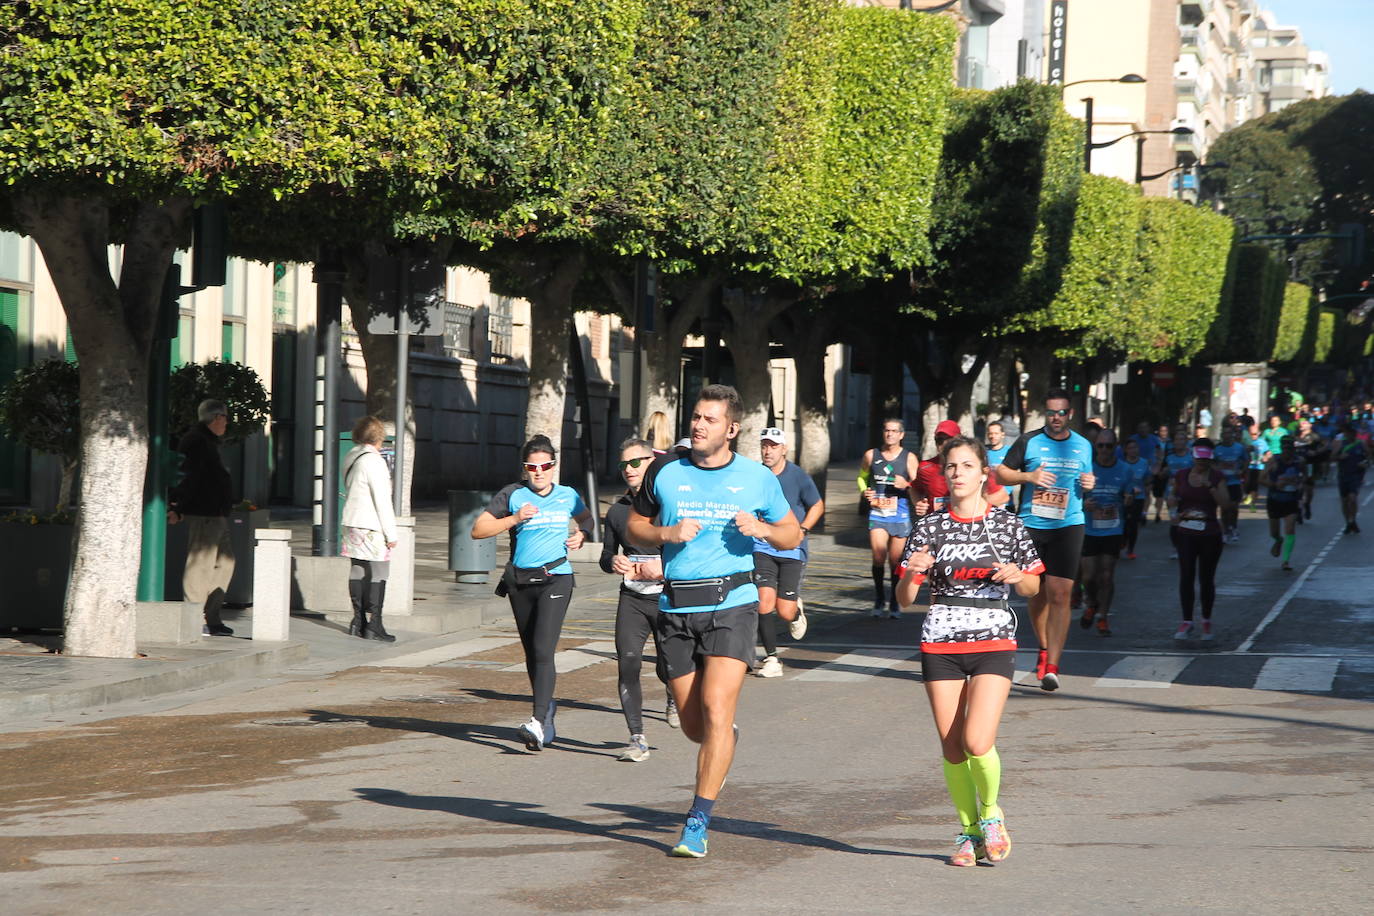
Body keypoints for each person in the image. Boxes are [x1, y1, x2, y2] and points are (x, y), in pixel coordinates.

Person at [627, 384, 800, 858]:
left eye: (709, 419)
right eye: (695, 416)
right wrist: (665, 531)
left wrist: (763, 529)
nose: (698, 425)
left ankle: (697, 821)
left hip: (733, 603)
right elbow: (633, 523)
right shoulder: (665, 471)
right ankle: (721, 740)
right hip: (677, 609)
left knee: (718, 711)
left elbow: (792, 532)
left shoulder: (756, 478)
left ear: (731, 428)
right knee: (694, 725)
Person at [895, 436, 1043, 867]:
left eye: (966, 465)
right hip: (940, 639)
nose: (957, 473)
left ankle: (991, 812)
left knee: (978, 741)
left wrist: (1018, 577)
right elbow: (905, 597)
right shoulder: (928, 527)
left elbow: (1034, 586)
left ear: (984, 473)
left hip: (993, 637)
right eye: (951, 467)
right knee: (953, 747)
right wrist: (913, 574)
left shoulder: (1007, 525)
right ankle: (967, 832)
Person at [471, 435, 593, 752]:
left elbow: (588, 518)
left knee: (543, 649)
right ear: (525, 469)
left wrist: (582, 535)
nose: (539, 472)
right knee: (531, 654)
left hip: (557, 578)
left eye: (546, 466)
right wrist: (514, 518)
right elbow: (478, 529)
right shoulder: (513, 495)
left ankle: (537, 722)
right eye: (532, 466)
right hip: (520, 583)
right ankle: (546, 711)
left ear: (554, 466)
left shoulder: (567, 495)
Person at [994, 388, 1094, 691]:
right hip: (1033, 525)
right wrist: (1029, 477)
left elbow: (1085, 480)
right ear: (1045, 414)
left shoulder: (1083, 445)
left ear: (1070, 414)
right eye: (1051, 412)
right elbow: (1001, 474)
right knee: (1034, 594)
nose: (1056, 418)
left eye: (1061, 412)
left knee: (1061, 594)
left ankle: (1052, 664)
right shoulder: (1029, 441)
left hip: (1069, 524)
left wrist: (1089, 483)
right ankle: (1042, 645)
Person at [600, 438, 675, 762]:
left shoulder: (667, 507)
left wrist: (663, 569)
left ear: (650, 462)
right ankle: (637, 738)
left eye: (635, 463)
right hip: (631, 598)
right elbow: (606, 554)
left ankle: (674, 694)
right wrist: (612, 562)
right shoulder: (617, 511)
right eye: (623, 465)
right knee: (628, 663)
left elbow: (688, 553)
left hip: (667, 598)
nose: (628, 470)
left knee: (669, 665)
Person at [753, 427, 823, 677]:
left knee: (784, 610)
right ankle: (772, 659)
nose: (767, 450)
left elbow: (817, 504)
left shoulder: (797, 476)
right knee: (763, 603)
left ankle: (795, 612)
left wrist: (803, 529)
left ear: (784, 449)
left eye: (773, 446)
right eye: (764, 445)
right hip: (762, 547)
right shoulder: (755, 475)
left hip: (792, 549)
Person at [167, 399, 237, 637]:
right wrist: (179, 507)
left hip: (215, 513)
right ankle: (195, 618)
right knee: (201, 566)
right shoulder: (196, 441)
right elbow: (189, 477)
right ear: (216, 418)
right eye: (225, 418)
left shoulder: (207, 441)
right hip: (203, 512)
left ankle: (211, 616)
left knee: (225, 563)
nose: (227, 423)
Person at [340, 415, 399, 642]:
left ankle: (357, 621)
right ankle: (375, 624)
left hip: (351, 521)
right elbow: (382, 500)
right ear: (379, 437)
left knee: (357, 568)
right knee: (380, 571)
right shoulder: (374, 461)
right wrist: (391, 534)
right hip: (371, 524)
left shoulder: (352, 455)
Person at [1167, 440, 1230, 641]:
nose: (1201, 464)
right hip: (1186, 532)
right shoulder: (1182, 475)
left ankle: (1206, 620)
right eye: (1199, 459)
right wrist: (1172, 508)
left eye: (1205, 460)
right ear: (1193, 457)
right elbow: (1172, 497)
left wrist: (1210, 486)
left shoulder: (1217, 477)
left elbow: (1225, 504)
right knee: (1186, 575)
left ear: (1210, 459)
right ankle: (1187, 621)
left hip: (1210, 533)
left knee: (1206, 578)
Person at [858, 419, 920, 619]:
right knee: (878, 555)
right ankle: (878, 598)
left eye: (894, 431)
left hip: (900, 514)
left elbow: (919, 486)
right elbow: (861, 477)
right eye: (887, 430)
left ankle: (894, 600)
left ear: (901, 435)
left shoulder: (909, 458)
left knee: (895, 561)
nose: (890, 434)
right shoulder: (871, 455)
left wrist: (907, 484)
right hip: (878, 513)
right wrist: (865, 491)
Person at [1079, 428, 1131, 636]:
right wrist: (1085, 503)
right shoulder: (1087, 469)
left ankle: (1102, 617)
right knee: (1088, 577)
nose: (1104, 450)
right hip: (1090, 529)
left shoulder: (1125, 470)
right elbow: (1075, 496)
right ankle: (1092, 602)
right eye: (1100, 445)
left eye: (1109, 446)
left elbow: (1130, 494)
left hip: (1113, 529)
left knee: (1107, 576)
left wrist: (1128, 500)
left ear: (1115, 447)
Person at [1264, 438, 1304, 571]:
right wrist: (1275, 484)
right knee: (1274, 533)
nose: (1287, 451)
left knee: (1290, 528)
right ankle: (1278, 540)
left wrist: (1300, 486)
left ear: (1294, 449)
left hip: (1291, 500)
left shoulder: (1299, 462)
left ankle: (1286, 561)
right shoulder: (1274, 461)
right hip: (1274, 499)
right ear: (1281, 448)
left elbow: (1304, 477)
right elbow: (1261, 479)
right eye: (1285, 448)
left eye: (1290, 448)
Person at [1211, 424, 1249, 543]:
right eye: (1224, 434)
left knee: (1233, 507)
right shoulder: (1217, 449)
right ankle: (1225, 530)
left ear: (1232, 435)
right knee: (1224, 507)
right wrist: (1217, 469)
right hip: (1222, 482)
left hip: (1235, 481)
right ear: (1222, 436)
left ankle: (1233, 527)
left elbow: (1246, 460)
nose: (1227, 436)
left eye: (1229, 433)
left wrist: (1242, 471)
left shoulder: (1239, 447)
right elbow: (1211, 462)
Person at [1333, 424, 1370, 533]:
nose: (1350, 435)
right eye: (1348, 433)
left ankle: (1352, 519)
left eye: (1352, 433)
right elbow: (1332, 457)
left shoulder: (1361, 443)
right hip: (1343, 475)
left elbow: (1369, 456)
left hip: (1355, 475)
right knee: (1344, 501)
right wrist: (1339, 457)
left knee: (1353, 498)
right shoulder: (1340, 443)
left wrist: (1365, 463)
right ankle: (1348, 523)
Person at [1120, 437, 1151, 560]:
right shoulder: (1121, 464)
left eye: (1135, 448)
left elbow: (1148, 478)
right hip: (1123, 498)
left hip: (1138, 498)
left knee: (1133, 524)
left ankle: (1130, 550)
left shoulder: (1144, 463)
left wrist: (1146, 487)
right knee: (1124, 523)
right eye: (1130, 448)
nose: (1133, 450)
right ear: (1125, 450)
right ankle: (1122, 542)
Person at [1292, 418, 1327, 521]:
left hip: (1309, 465)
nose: (1302, 424)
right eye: (1301, 423)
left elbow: (1326, 445)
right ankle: (1298, 509)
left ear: (1310, 425)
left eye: (1305, 422)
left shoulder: (1315, 436)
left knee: (1308, 489)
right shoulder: (1296, 437)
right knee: (1297, 488)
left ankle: (1307, 505)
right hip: (1296, 465)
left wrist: (1316, 452)